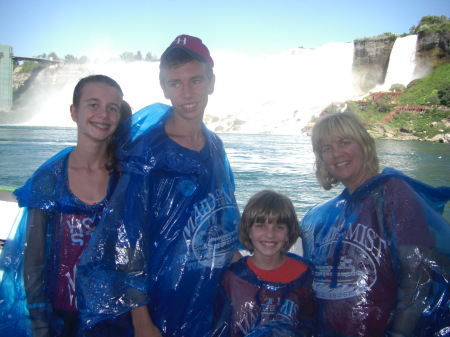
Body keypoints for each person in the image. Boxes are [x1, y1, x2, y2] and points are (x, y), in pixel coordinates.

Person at [77, 35, 241, 337]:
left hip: (208, 298)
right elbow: (127, 240)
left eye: (195, 80)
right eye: (175, 83)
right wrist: (141, 322)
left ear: (212, 83)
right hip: (158, 305)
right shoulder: (147, 153)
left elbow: (224, 214)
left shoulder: (215, 145)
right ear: (164, 87)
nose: (187, 93)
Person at [0, 75, 131, 336]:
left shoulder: (126, 179)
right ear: (74, 112)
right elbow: (33, 257)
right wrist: (38, 320)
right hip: (61, 315)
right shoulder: (50, 178)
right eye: (93, 105)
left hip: (116, 314)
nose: (103, 115)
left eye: (112, 108)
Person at [300, 111, 450, 337]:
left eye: (345, 142)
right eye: (326, 149)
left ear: (363, 145)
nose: (336, 153)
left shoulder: (394, 193)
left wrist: (398, 333)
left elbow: (418, 276)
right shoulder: (325, 214)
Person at [213, 190, 315, 337]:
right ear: (248, 230)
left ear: (288, 233)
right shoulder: (232, 277)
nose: (270, 234)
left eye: (279, 227)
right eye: (261, 226)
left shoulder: (305, 274)